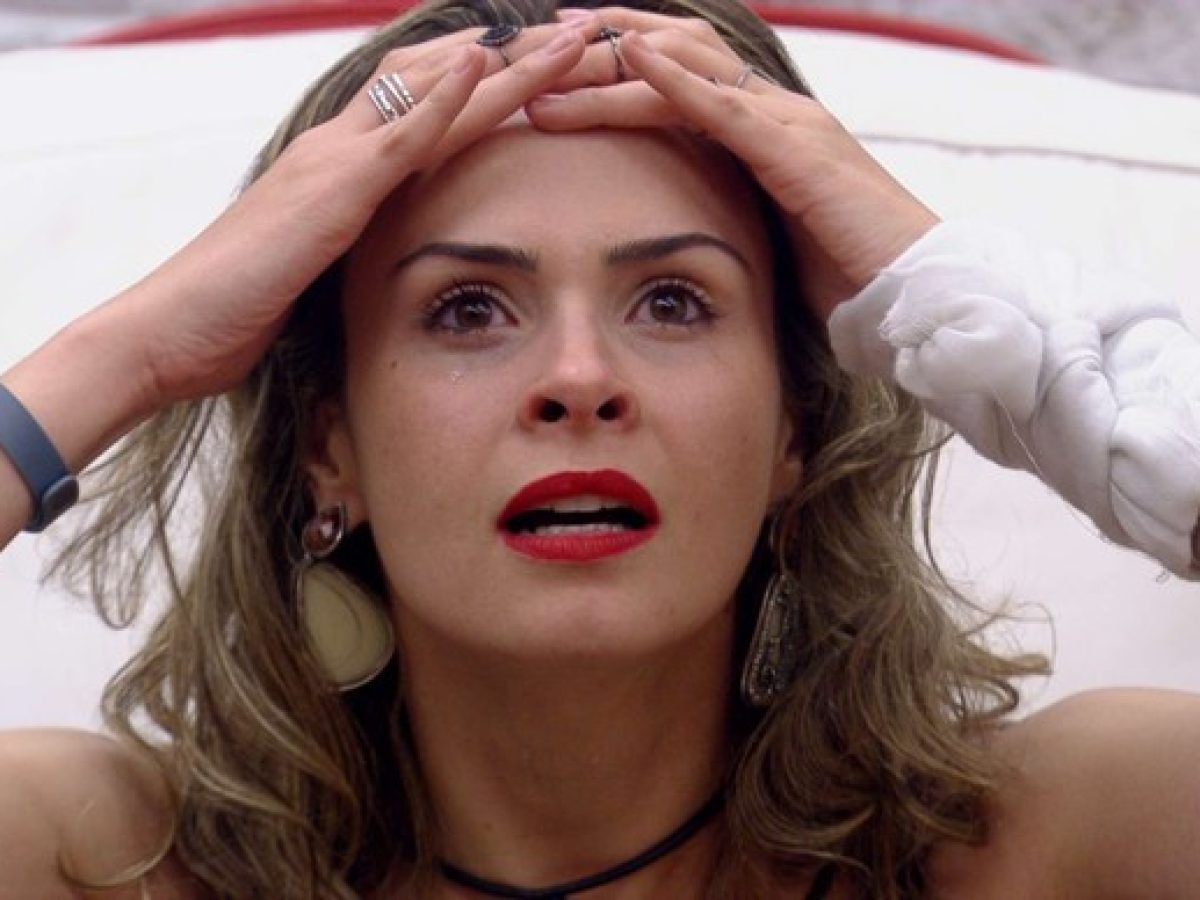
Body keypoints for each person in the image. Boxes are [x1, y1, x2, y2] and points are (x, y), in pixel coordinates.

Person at [1, 0, 1198, 897]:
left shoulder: (1068, 839)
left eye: (673, 301)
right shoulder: (101, 860)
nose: (579, 379)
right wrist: (133, 352)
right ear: (331, 446)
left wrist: (984, 317)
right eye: (467, 308)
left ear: (794, 428)